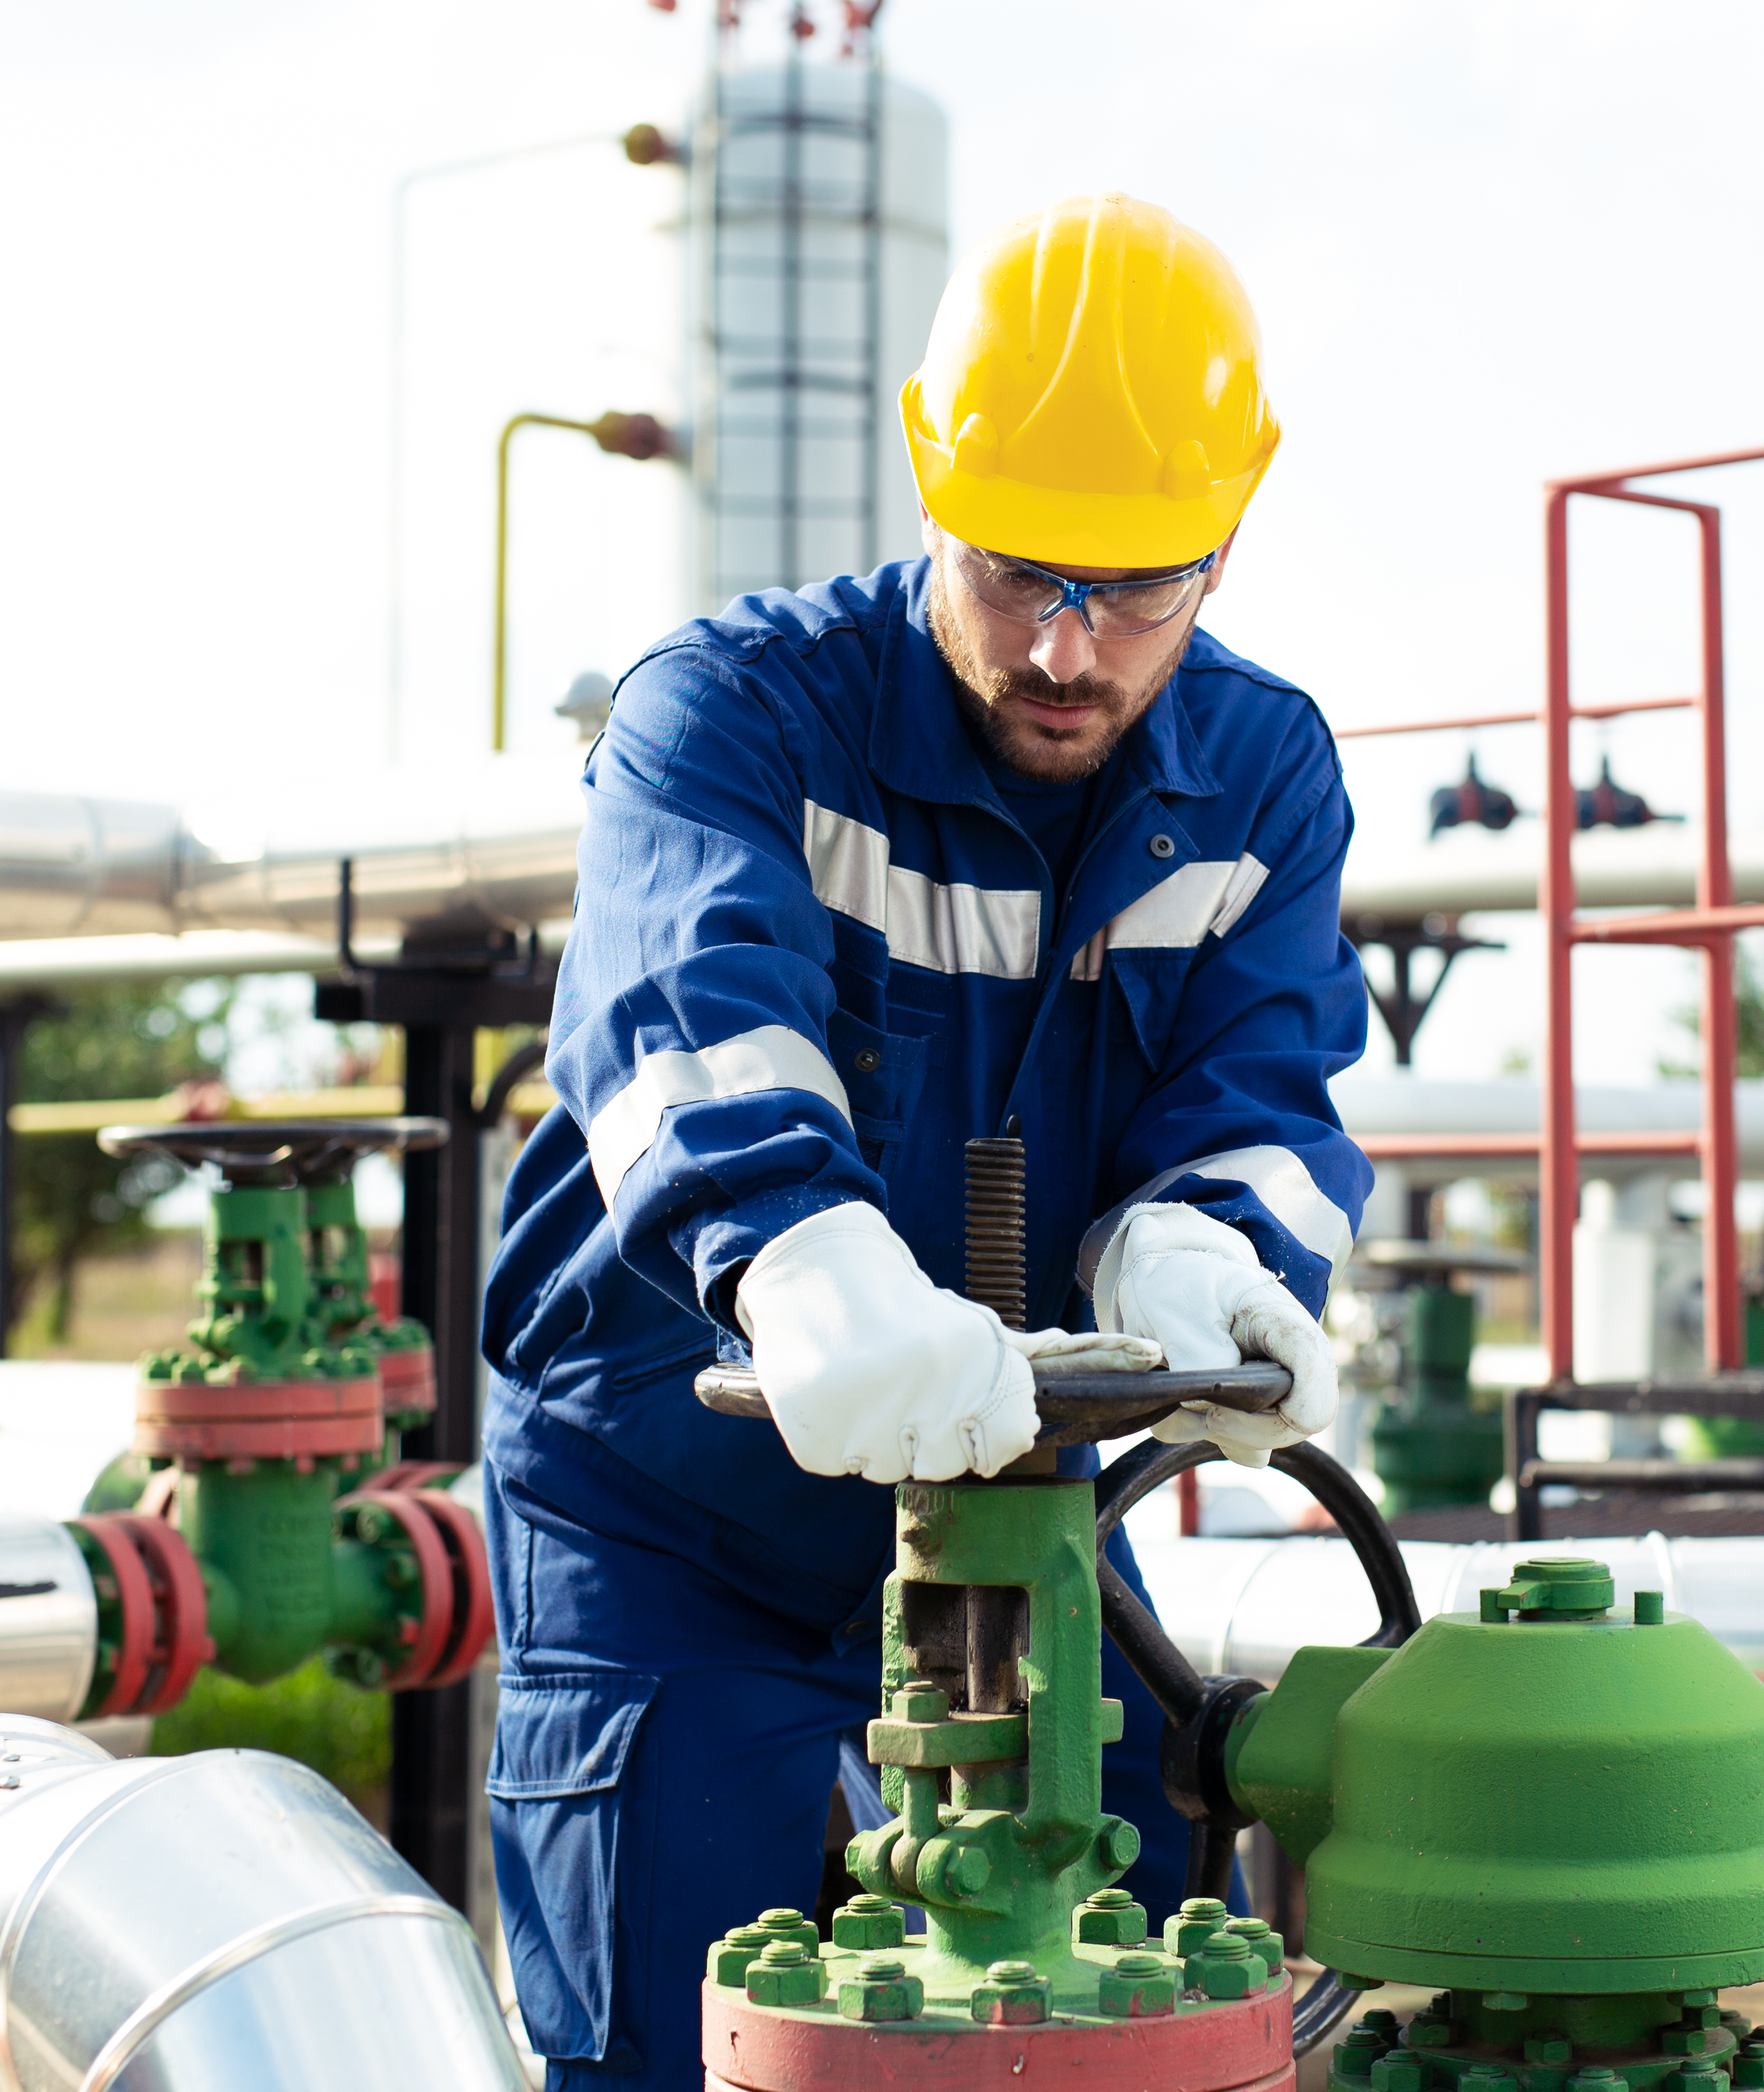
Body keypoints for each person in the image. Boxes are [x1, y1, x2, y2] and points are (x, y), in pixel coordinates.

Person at [476, 193, 1369, 2090]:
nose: (1068, 648)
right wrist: (800, 1265)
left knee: (1109, 2001)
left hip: (1028, 1501)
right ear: (927, 480)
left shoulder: (1266, 775)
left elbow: (1263, 1085)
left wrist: (1213, 1257)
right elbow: (686, 1018)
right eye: (1017, 572)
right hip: (671, 1499)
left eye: (1135, 589)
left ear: (1230, 536)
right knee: (661, 2028)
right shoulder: (728, 715)